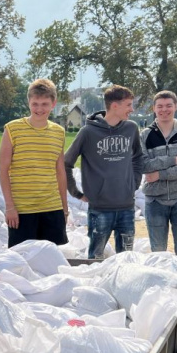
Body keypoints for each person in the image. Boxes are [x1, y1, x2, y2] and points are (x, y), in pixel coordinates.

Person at [64, 84, 144, 258]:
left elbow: (138, 157)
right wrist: (76, 193)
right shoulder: (88, 132)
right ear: (115, 106)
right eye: (129, 105)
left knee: (126, 259)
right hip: (100, 209)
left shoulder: (131, 129)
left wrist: (134, 182)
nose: (132, 109)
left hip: (127, 208)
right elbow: (66, 163)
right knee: (95, 258)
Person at [0, 78, 69, 247]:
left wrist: (64, 208)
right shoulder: (12, 129)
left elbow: (60, 171)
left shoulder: (59, 132)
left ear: (53, 103)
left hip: (52, 208)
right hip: (22, 210)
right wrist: (10, 207)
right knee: (22, 264)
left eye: (44, 104)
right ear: (28, 102)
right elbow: (3, 170)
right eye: (35, 104)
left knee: (51, 264)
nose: (39, 109)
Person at [140, 90, 177, 259]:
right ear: (153, 108)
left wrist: (160, 175)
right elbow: (143, 164)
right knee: (158, 252)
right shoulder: (145, 135)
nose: (164, 110)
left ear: (176, 107)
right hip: (155, 200)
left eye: (168, 106)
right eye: (160, 106)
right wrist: (173, 159)